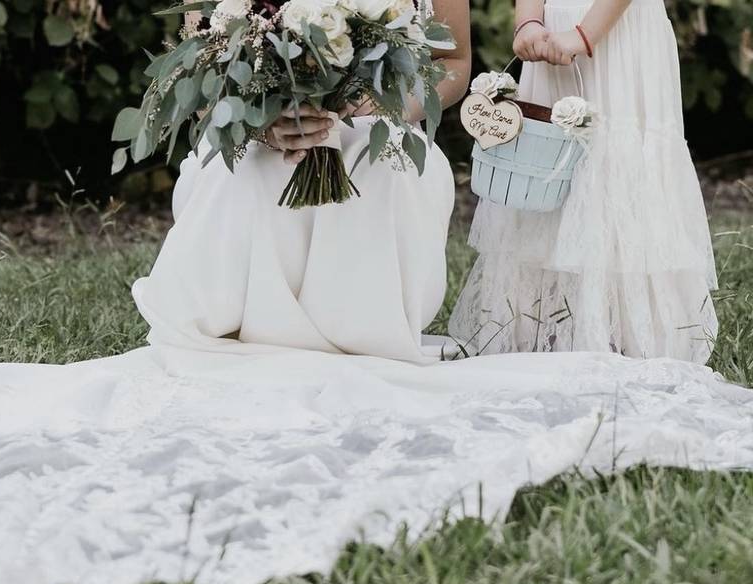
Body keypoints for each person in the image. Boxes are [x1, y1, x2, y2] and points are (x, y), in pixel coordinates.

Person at [131, 0, 472, 363]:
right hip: (258, 127)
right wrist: (263, 123)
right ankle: (235, 318)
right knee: (244, 171)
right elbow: (200, 79)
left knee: (382, 166)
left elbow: (453, 61)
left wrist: (380, 103)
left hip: (379, 124)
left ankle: (368, 328)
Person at [449, 0, 718, 363]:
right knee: (548, 164)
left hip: (616, 30)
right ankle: (540, 327)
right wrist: (528, 22)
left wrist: (584, 34)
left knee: (616, 160)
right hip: (552, 28)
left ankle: (621, 335)